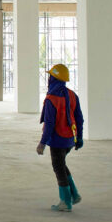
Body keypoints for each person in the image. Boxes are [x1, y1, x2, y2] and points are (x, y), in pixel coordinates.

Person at [36, 64, 84, 212]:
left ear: (53, 79)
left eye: (50, 76)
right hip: (70, 139)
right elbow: (79, 118)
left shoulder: (51, 99)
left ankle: (65, 201)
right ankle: (74, 194)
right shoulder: (71, 95)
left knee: (58, 168)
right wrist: (79, 138)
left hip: (57, 140)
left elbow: (50, 124)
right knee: (62, 164)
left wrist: (42, 143)